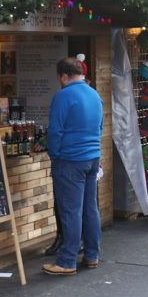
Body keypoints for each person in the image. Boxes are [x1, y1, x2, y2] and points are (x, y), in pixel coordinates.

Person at [42, 57, 104, 275]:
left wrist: (55, 154)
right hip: (92, 157)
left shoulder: (63, 96)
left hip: (70, 160)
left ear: (63, 76)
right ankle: (92, 255)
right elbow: (100, 127)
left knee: (71, 211)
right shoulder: (95, 94)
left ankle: (67, 260)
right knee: (90, 208)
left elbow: (55, 131)